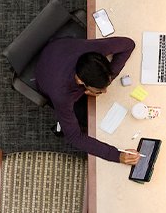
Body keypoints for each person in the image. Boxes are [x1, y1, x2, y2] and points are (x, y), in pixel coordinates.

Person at [35, 37, 140, 165]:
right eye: (100, 90)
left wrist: (109, 79)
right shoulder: (62, 95)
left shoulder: (95, 52)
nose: (105, 92)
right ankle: (61, 126)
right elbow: (74, 137)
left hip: (58, 49)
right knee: (87, 119)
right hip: (46, 77)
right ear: (80, 81)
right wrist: (116, 155)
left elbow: (129, 44)